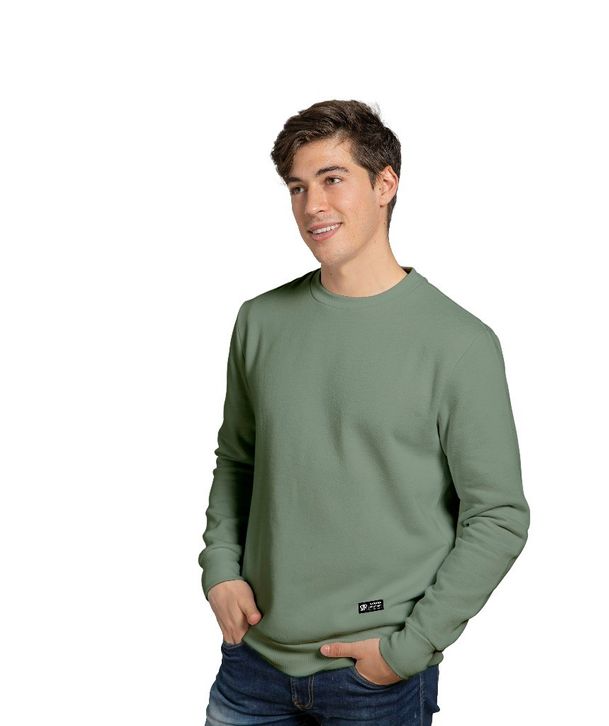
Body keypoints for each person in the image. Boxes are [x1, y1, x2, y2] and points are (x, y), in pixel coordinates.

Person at [198, 99, 530, 725]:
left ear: (385, 184)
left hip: (374, 678)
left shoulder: (459, 343)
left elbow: (498, 516)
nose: (311, 206)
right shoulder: (259, 321)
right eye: (297, 187)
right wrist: (219, 570)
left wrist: (408, 649)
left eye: (332, 179)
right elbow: (238, 460)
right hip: (252, 663)